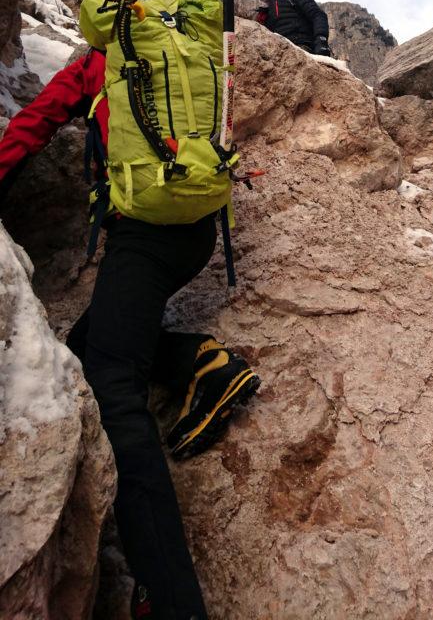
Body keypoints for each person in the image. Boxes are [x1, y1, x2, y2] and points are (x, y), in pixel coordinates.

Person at [0, 43, 260, 620]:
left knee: (112, 388)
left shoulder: (97, 62)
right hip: (196, 232)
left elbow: (34, 122)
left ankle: (169, 599)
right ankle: (200, 365)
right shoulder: (188, 59)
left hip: (143, 235)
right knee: (80, 353)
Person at [249, 0, 330, 56]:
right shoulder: (262, 17)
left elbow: (317, 15)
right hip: (277, 55)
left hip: (303, 49)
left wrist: (321, 40)